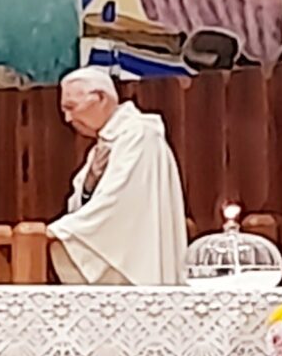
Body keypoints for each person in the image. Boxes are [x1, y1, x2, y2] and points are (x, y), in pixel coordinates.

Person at [46, 67, 188, 288]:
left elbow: (119, 204)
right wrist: (90, 183)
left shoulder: (138, 135)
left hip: (139, 260)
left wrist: (58, 231)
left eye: (71, 108)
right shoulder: (107, 142)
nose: (67, 118)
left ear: (101, 98)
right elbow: (82, 204)